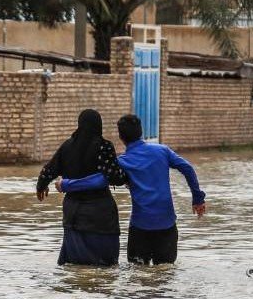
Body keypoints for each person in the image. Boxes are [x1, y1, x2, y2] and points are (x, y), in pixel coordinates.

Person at [60, 114, 206, 265]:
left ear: (121, 137)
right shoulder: (162, 151)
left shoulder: (123, 161)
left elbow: (99, 180)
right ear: (141, 132)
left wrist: (66, 184)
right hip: (167, 226)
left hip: (140, 228)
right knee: (165, 274)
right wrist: (197, 198)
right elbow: (187, 168)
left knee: (137, 276)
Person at [35, 109, 127, 266]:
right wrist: (126, 175)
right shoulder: (104, 146)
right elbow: (115, 178)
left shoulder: (68, 146)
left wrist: (41, 186)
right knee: (105, 267)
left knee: (75, 265)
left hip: (74, 213)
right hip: (100, 214)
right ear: (99, 126)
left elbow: (48, 170)